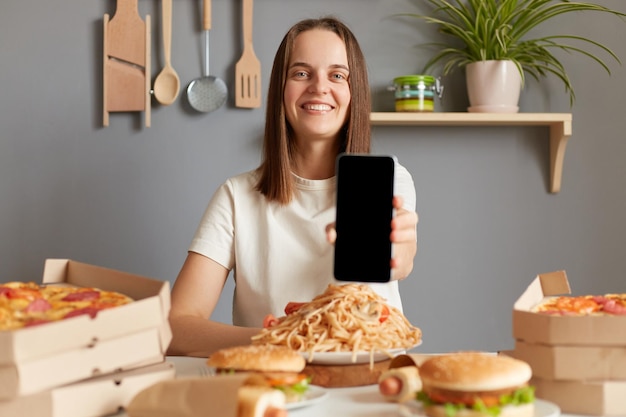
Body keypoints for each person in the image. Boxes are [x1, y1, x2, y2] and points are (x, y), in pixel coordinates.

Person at [167, 16, 418, 357]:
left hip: (367, 384)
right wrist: (283, 339)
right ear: (280, 90)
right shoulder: (237, 197)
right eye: (301, 73)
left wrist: (400, 251)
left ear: (353, 91)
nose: (319, 87)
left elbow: (399, 260)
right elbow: (177, 325)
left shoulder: (389, 180)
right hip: (274, 385)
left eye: (337, 75)